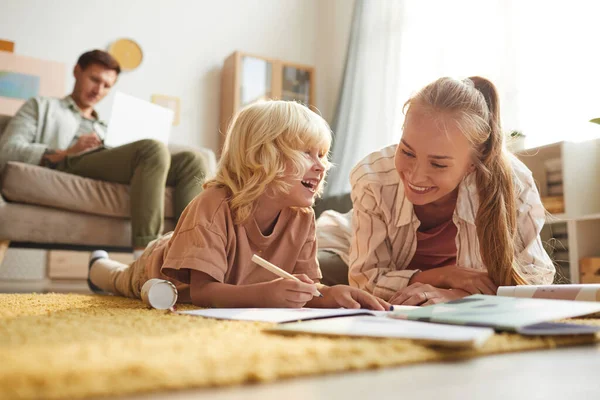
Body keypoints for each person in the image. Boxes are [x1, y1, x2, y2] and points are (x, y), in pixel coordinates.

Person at [87, 100, 390, 310]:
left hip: (228, 279)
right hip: (160, 268)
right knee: (118, 280)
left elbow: (305, 290)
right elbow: (204, 292)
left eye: (322, 155)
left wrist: (330, 295)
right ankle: (98, 265)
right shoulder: (213, 205)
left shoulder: (303, 217)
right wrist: (267, 294)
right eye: (308, 154)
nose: (321, 166)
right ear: (262, 156)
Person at [318, 76, 555, 306]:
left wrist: (458, 296)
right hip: (345, 249)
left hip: (421, 288)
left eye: (438, 164)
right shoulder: (372, 177)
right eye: (407, 152)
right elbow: (365, 281)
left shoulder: (514, 181)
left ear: (473, 163)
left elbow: (535, 279)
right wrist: (448, 276)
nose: (415, 176)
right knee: (313, 280)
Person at [0, 50, 206, 255]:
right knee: (152, 149)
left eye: (106, 85)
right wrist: (66, 152)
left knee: (192, 160)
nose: (98, 90)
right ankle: (146, 255)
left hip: (109, 163)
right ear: (77, 71)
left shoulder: (105, 126)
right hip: (69, 162)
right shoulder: (41, 106)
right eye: (94, 79)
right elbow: (7, 151)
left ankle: (191, 253)